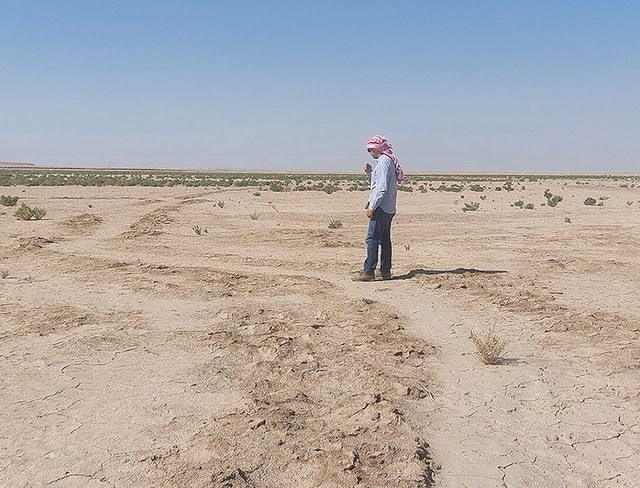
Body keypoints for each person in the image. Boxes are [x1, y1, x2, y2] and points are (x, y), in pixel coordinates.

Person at [354, 135, 404, 282]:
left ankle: (369, 271)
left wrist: (372, 207)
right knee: (385, 240)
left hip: (381, 207)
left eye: (370, 150)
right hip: (389, 207)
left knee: (372, 239)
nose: (369, 153)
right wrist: (370, 173)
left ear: (377, 148)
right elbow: (378, 183)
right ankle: (385, 271)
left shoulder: (383, 162)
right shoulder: (388, 161)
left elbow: (381, 188)